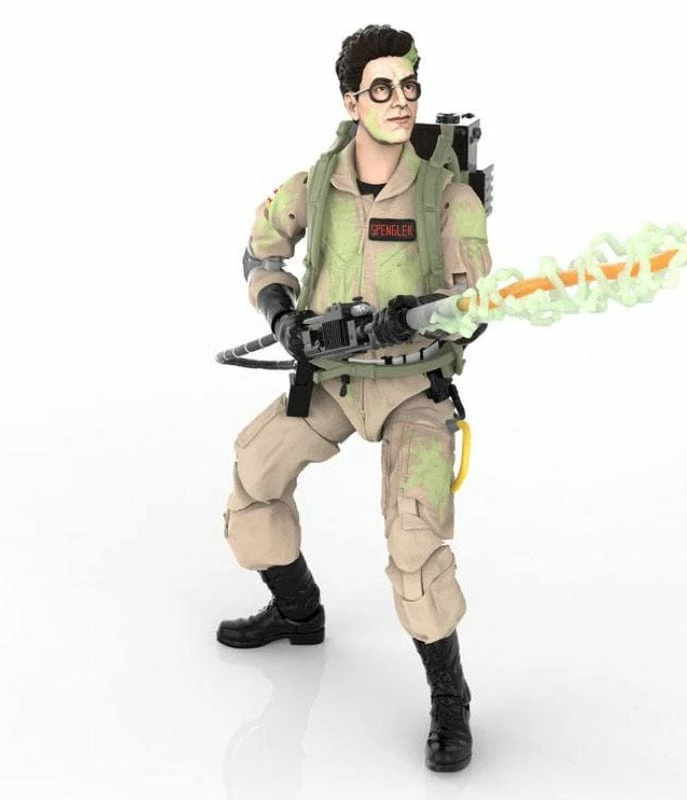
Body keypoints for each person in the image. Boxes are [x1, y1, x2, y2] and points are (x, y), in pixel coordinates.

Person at [216, 24, 492, 773]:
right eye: (382, 88)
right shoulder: (316, 183)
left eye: (410, 86)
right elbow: (260, 249)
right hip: (332, 377)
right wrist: (281, 313)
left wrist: (420, 314)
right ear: (351, 100)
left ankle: (450, 697)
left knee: (414, 536)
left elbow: (476, 303)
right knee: (254, 476)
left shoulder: (448, 197)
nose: (401, 101)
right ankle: (298, 611)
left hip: (412, 385)